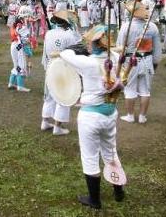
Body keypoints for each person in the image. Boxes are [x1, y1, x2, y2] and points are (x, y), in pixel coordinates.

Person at [60, 26, 125, 210]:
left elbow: (65, 54)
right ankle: (119, 191)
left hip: (90, 116)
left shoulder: (87, 63)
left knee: (89, 157)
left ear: (93, 44)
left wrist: (77, 48)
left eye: (89, 42)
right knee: (110, 152)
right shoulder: (113, 57)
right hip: (110, 112)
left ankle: (94, 200)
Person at [117, 2, 162, 124]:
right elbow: (157, 49)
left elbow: (120, 47)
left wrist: (118, 65)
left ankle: (130, 115)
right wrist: (156, 62)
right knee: (145, 90)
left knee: (130, 89)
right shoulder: (152, 26)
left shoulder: (126, 26)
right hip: (147, 61)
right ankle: (142, 116)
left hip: (131, 62)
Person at [40, 10, 81, 135]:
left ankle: (45, 121)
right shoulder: (70, 36)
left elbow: (45, 51)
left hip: (50, 65)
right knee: (63, 96)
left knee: (50, 95)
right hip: (63, 67)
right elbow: (75, 52)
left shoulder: (49, 33)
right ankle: (57, 126)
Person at [7, 16, 31, 92]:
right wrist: (27, 51)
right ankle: (20, 86)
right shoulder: (21, 29)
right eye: (22, 22)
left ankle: (11, 84)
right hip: (18, 46)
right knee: (21, 66)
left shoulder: (13, 28)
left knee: (16, 65)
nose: (23, 23)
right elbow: (25, 41)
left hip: (14, 45)